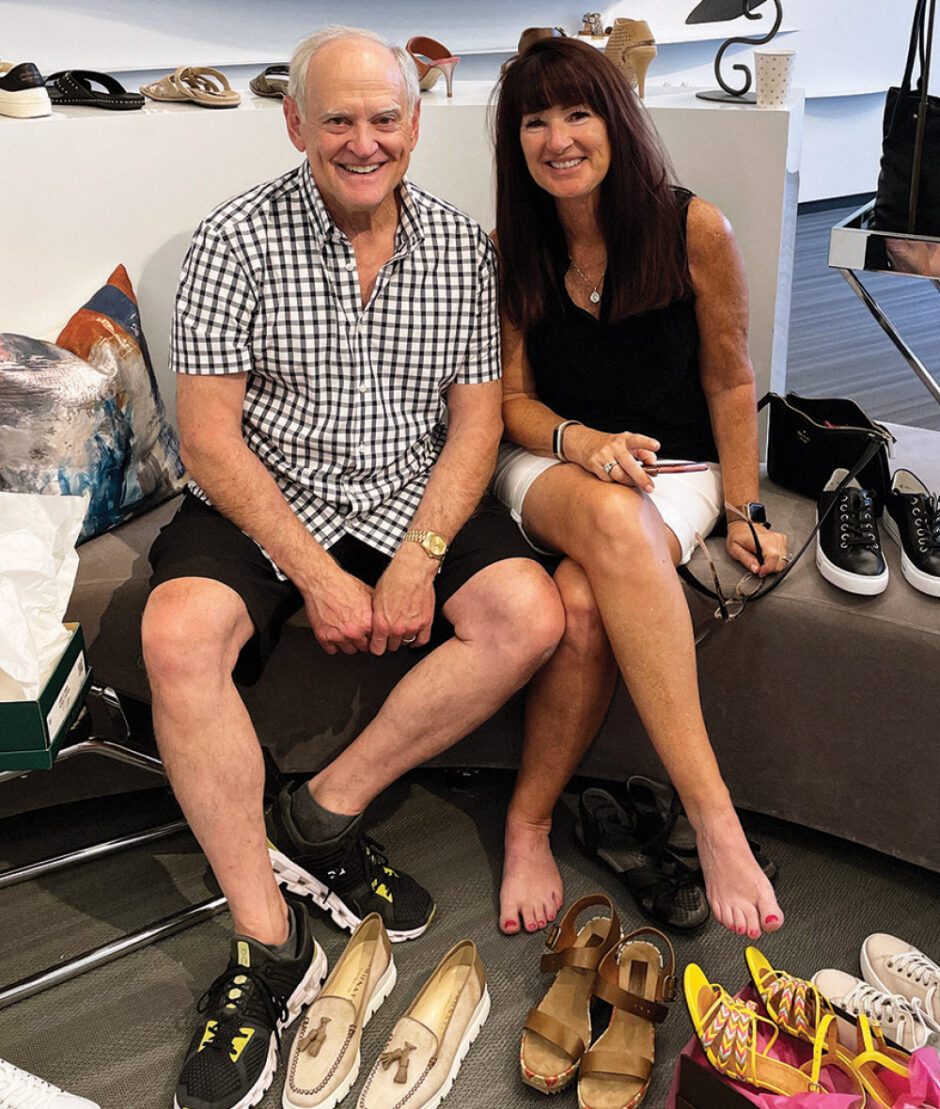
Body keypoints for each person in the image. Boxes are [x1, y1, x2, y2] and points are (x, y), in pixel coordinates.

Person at [141, 26, 563, 1109]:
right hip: (268, 492)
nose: (363, 140)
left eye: (385, 118)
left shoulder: (463, 248)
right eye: (338, 119)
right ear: (294, 123)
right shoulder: (234, 240)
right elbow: (209, 439)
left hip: (403, 488)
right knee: (177, 632)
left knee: (526, 612)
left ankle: (321, 814)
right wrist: (317, 574)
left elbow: (473, 426)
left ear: (415, 125)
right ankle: (267, 942)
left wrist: (419, 554)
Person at [490, 37, 787, 940]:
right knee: (611, 520)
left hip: (676, 472)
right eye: (535, 121)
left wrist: (743, 507)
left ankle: (528, 822)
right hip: (549, 461)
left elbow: (731, 382)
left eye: (577, 112)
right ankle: (714, 815)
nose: (558, 138)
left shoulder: (695, 229)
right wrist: (580, 444)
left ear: (616, 120)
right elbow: (512, 402)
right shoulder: (514, 244)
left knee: (584, 604)